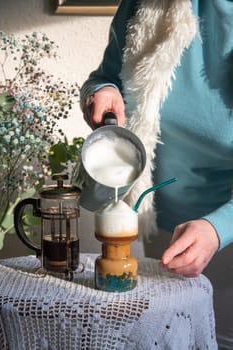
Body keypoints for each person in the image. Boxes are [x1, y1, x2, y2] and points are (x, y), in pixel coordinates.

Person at [80, 0, 233, 348]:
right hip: (162, 227)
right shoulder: (145, 3)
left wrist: (219, 228)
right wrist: (101, 91)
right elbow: (103, 79)